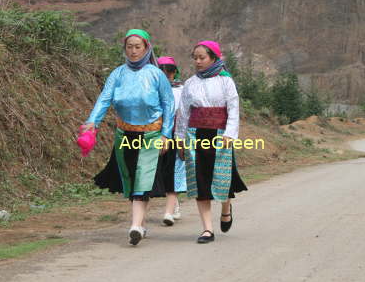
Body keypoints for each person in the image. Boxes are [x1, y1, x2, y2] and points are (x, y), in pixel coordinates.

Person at [81, 29, 174, 246]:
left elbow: (169, 105)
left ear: (146, 48)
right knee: (131, 178)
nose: (133, 51)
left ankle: (134, 226)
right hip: (125, 133)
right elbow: (104, 98)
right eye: (129, 47)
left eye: (137, 47)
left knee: (144, 176)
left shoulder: (156, 74)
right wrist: (92, 122)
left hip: (151, 133)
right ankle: (140, 224)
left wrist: (166, 135)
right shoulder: (118, 74)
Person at [176, 40, 247, 243]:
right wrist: (180, 140)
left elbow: (233, 109)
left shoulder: (226, 81)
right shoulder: (190, 84)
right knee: (201, 181)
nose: (198, 61)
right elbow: (183, 114)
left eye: (202, 57)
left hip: (219, 136)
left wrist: (230, 135)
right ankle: (207, 229)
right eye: (195, 58)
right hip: (194, 135)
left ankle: (226, 207)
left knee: (221, 180)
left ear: (214, 58)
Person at [156, 56, 186, 226]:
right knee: (159, 170)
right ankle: (173, 203)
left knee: (173, 170)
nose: (167, 75)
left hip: (175, 135)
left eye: (170, 72)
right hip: (154, 135)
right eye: (162, 72)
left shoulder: (182, 90)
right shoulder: (152, 89)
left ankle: (172, 206)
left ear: (175, 72)